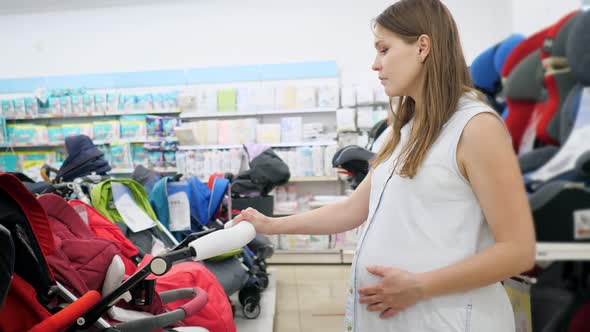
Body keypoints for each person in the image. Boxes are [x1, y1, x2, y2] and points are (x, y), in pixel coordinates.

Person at [233, 0, 536, 330]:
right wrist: (271, 225)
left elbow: (518, 251)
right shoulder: (407, 131)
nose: (375, 65)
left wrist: (420, 286)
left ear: (422, 47)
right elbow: (352, 210)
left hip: (449, 318)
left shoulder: (476, 127)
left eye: (384, 49)